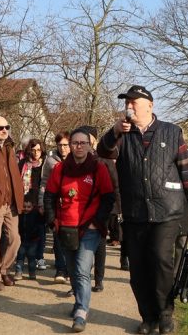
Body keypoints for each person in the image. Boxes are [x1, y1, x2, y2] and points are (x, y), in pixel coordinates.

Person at [97, 85, 188, 335]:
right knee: (138, 269)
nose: (129, 106)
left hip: (167, 211)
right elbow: (102, 152)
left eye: (134, 102)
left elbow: (187, 171)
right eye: (127, 102)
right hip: (135, 213)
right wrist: (113, 131)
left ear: (150, 105)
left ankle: (165, 314)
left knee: (160, 261)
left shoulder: (172, 131)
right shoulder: (121, 135)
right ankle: (148, 317)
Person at [44, 127, 115, 333]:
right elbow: (49, 196)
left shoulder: (98, 168)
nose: (79, 146)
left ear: (90, 145)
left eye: (83, 143)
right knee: (73, 270)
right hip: (65, 227)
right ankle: (78, 302)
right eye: (75, 143)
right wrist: (52, 221)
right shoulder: (60, 169)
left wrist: (97, 222)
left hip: (89, 228)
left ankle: (81, 313)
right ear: (70, 145)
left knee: (83, 270)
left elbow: (109, 197)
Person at [77, 126, 122, 294]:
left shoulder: (104, 158)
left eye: (87, 139)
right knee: (83, 245)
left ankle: (99, 279)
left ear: (94, 140)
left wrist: (117, 208)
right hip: (83, 210)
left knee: (100, 246)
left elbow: (114, 184)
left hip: (102, 209)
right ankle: (82, 279)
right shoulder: (78, 159)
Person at [0, 116, 24, 291]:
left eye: (7, 127)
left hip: (11, 202)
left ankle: (3, 269)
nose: (4, 130)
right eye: (0, 128)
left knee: (15, 239)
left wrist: (19, 195)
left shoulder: (9, 146)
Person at [40, 131, 71, 283]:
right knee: (58, 237)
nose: (63, 148)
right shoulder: (51, 161)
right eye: (60, 145)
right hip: (56, 205)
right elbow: (44, 183)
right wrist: (41, 203)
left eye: (65, 145)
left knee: (72, 239)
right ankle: (60, 269)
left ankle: (71, 268)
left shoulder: (77, 160)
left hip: (73, 206)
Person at [14, 139, 46, 280]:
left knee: (40, 231)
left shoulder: (44, 164)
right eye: (33, 150)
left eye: (38, 150)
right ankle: (21, 259)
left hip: (38, 201)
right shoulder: (23, 164)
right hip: (25, 201)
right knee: (23, 229)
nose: (36, 153)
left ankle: (38, 257)